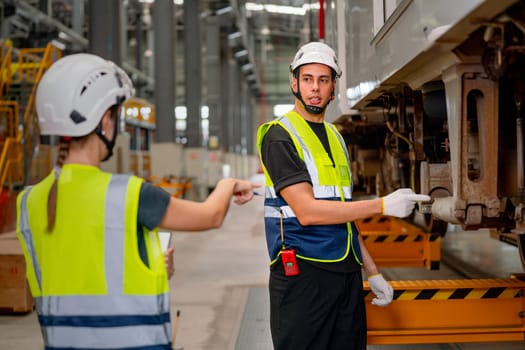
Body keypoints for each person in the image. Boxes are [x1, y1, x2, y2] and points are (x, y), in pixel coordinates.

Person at [16, 53, 258, 350]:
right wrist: (228, 183)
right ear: (105, 120)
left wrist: (153, 268)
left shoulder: (28, 202)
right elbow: (211, 215)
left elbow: (82, 267)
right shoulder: (130, 194)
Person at [256, 42, 431, 350]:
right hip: (303, 275)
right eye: (307, 79)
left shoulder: (335, 137)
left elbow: (342, 213)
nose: (315, 88)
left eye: (323, 80)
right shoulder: (279, 135)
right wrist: (382, 205)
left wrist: (372, 271)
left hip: (345, 274)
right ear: (293, 82)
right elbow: (307, 211)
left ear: (333, 87)